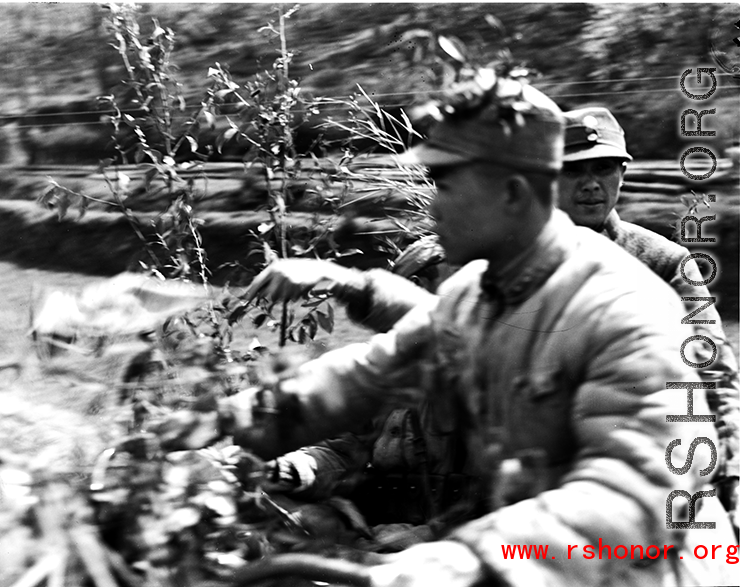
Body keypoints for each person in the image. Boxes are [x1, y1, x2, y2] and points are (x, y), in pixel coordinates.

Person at [159, 67, 736, 586]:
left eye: (449, 187)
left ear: (513, 194)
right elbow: (370, 375)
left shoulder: (620, 308)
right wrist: (231, 422)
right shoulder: (477, 291)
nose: (433, 207)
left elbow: (637, 492)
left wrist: (469, 559)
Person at [247, 107, 740, 529]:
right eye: (576, 171)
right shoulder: (496, 262)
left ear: (623, 175)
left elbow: (711, 371)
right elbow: (423, 339)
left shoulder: (658, 263)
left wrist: (731, 470)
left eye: (606, 168)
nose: (592, 183)